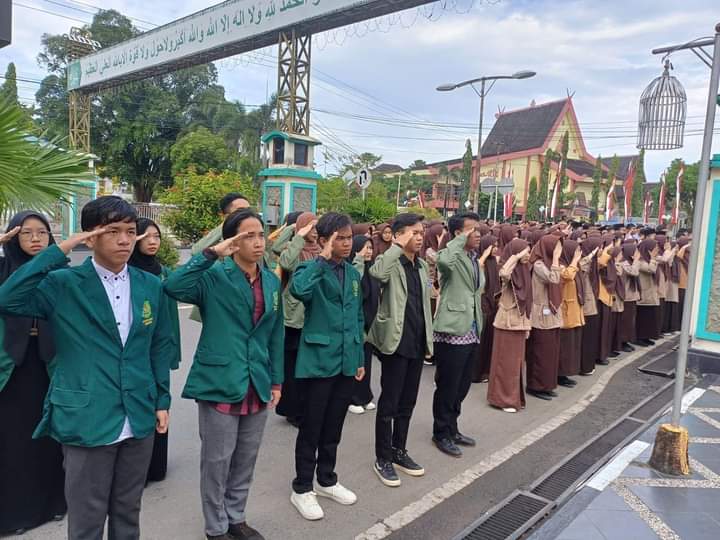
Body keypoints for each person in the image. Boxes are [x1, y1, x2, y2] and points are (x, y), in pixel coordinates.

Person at [0, 196, 173, 540]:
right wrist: (60, 249)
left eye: (130, 231)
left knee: (128, 512)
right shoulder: (63, 283)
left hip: (138, 413)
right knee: (87, 520)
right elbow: (8, 299)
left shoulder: (150, 284)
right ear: (90, 237)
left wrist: (162, 399)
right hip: (86, 415)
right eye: (113, 231)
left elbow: (158, 345)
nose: (125, 240)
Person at [164, 209, 283, 540]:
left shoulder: (271, 280)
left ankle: (236, 517)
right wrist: (211, 254)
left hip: (257, 380)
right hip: (219, 380)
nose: (258, 242)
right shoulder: (214, 275)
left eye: (261, 235)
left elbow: (275, 334)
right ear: (232, 240)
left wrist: (276, 380)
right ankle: (215, 526)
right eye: (248, 236)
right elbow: (173, 285)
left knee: (246, 458)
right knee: (217, 460)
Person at [288, 212, 365, 521]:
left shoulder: (353, 274)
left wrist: (359, 358)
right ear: (323, 240)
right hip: (319, 360)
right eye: (339, 239)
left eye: (349, 238)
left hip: (346, 360)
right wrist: (322, 258)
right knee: (312, 426)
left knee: (334, 425)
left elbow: (358, 316)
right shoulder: (310, 268)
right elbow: (298, 290)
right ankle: (302, 487)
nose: (347, 244)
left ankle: (326, 479)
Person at [0, 212, 66, 535]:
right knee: (13, 442)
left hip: (49, 366)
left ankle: (51, 504)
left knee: (48, 440)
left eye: (42, 232)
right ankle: (14, 513)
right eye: (27, 233)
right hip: (11, 369)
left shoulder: (59, 273)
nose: (36, 238)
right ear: (13, 236)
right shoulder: (2, 269)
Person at [367, 213, 433, 486]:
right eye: (413, 232)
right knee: (389, 404)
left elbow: (425, 303)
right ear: (398, 235)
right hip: (396, 342)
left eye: (421, 233)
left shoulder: (421, 266)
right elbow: (376, 273)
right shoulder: (391, 262)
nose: (419, 237)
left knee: (408, 402)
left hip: (417, 342)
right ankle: (382, 457)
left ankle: (399, 451)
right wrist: (397, 245)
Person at [432, 212, 492, 458]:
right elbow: (444, 262)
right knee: (448, 385)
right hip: (452, 329)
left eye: (478, 229)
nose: (478, 234)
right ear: (458, 233)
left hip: (472, 328)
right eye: (471, 230)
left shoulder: (472, 258)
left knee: (462, 385)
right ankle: (441, 433)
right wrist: (456, 240)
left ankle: (452, 427)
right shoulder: (451, 255)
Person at [127, 218, 182, 483]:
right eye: (146, 236)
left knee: (160, 402)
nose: (152, 241)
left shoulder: (164, 273)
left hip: (160, 346)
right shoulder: (125, 273)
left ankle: (155, 466)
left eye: (156, 237)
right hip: (135, 349)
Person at [275, 213, 320, 427]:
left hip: (314, 315)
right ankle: (292, 410)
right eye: (311, 228)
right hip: (294, 317)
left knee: (308, 366)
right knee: (292, 366)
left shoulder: (319, 250)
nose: (315, 232)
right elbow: (284, 261)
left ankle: (306, 407)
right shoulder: (294, 250)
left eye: (316, 228)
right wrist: (297, 234)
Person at [189, 193, 250, 323]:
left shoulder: (252, 235)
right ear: (226, 216)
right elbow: (197, 251)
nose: (246, 215)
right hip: (219, 301)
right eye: (240, 211)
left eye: (248, 210)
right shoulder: (219, 235)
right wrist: (227, 225)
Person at [487, 239, 532, 413]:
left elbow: (528, 301)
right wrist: (516, 257)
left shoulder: (524, 270)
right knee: (505, 363)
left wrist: (527, 325)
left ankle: (513, 398)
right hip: (506, 322)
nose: (528, 255)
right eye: (526, 252)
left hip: (519, 323)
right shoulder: (509, 269)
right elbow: (504, 273)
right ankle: (503, 399)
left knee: (515, 364)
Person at [526, 235, 563, 401]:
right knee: (540, 353)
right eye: (556, 248)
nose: (559, 251)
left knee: (550, 353)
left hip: (551, 313)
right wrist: (555, 258)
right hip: (541, 314)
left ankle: (547, 385)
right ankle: (536, 386)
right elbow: (554, 279)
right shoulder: (539, 264)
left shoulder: (549, 263)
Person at [348, 235, 379, 414]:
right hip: (357, 323)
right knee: (356, 361)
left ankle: (365, 395)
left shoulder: (372, 269)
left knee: (366, 361)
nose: (368, 251)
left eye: (370, 248)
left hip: (370, 323)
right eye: (365, 247)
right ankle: (353, 398)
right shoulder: (353, 270)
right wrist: (358, 261)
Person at [473, 234, 500, 383]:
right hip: (481, 304)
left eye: (496, 246)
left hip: (492, 304)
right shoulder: (478, 261)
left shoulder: (493, 262)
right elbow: (478, 280)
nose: (495, 249)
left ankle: (485, 371)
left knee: (488, 340)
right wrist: (483, 256)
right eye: (493, 246)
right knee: (480, 340)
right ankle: (475, 373)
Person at [558, 239, 584, 388]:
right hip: (565, 312)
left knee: (571, 345)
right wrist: (574, 260)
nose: (578, 254)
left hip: (574, 311)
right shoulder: (561, 265)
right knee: (564, 346)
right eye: (576, 251)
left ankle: (566, 373)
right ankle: (560, 375)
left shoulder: (574, 265)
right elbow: (567, 276)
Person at [579, 237, 602, 375]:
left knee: (590, 338)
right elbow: (581, 266)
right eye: (599, 248)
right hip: (586, 307)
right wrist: (592, 254)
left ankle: (588, 365)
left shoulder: (593, 263)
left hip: (591, 305)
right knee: (586, 339)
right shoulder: (582, 262)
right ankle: (584, 366)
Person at [636, 239, 660, 346]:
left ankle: (646, 337)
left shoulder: (648, 259)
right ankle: (639, 337)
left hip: (650, 293)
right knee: (643, 317)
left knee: (649, 317)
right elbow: (651, 269)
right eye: (654, 248)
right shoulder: (640, 261)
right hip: (644, 293)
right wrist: (653, 259)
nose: (656, 250)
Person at [617, 242, 641, 352]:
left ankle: (626, 341)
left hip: (632, 296)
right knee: (625, 322)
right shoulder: (623, 263)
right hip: (626, 297)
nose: (638, 254)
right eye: (636, 251)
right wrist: (636, 260)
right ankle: (622, 342)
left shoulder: (629, 262)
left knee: (630, 321)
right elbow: (634, 272)